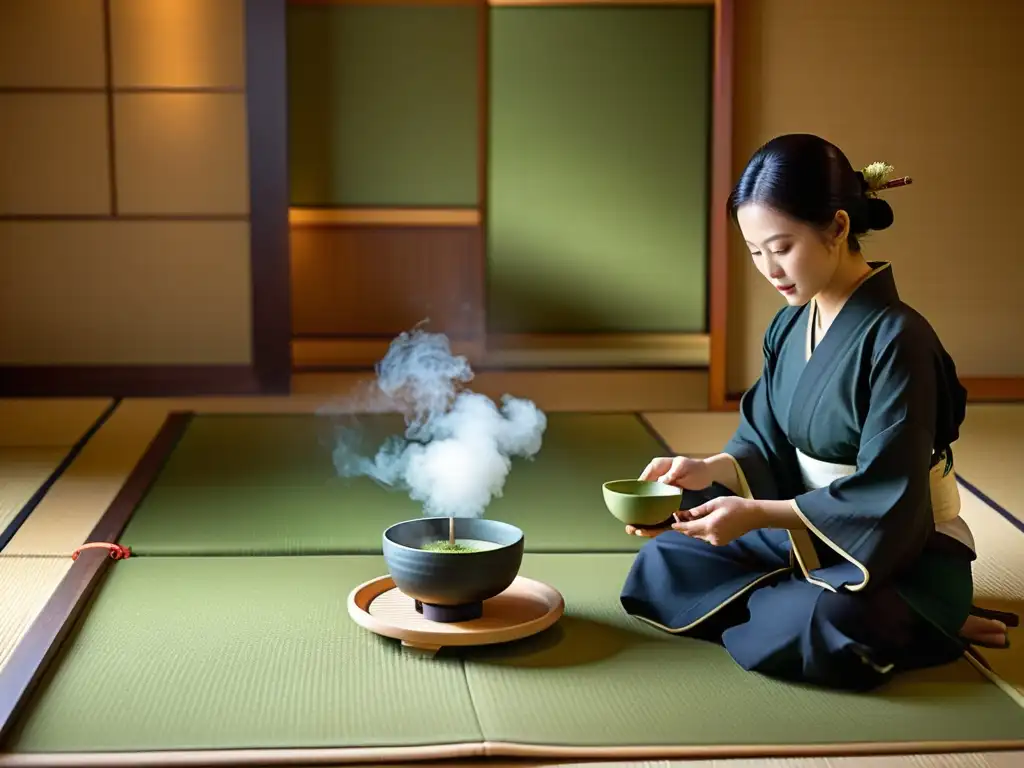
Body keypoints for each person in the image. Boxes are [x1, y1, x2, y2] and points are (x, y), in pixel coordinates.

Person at [619, 133, 1017, 692]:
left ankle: (931, 613)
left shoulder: (899, 339)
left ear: (837, 227)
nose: (769, 269)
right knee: (664, 562)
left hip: (901, 549)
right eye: (755, 253)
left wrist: (756, 517)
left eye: (781, 247)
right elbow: (766, 445)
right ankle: (844, 603)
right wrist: (709, 469)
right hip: (810, 528)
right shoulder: (788, 325)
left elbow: (889, 496)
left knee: (822, 623)